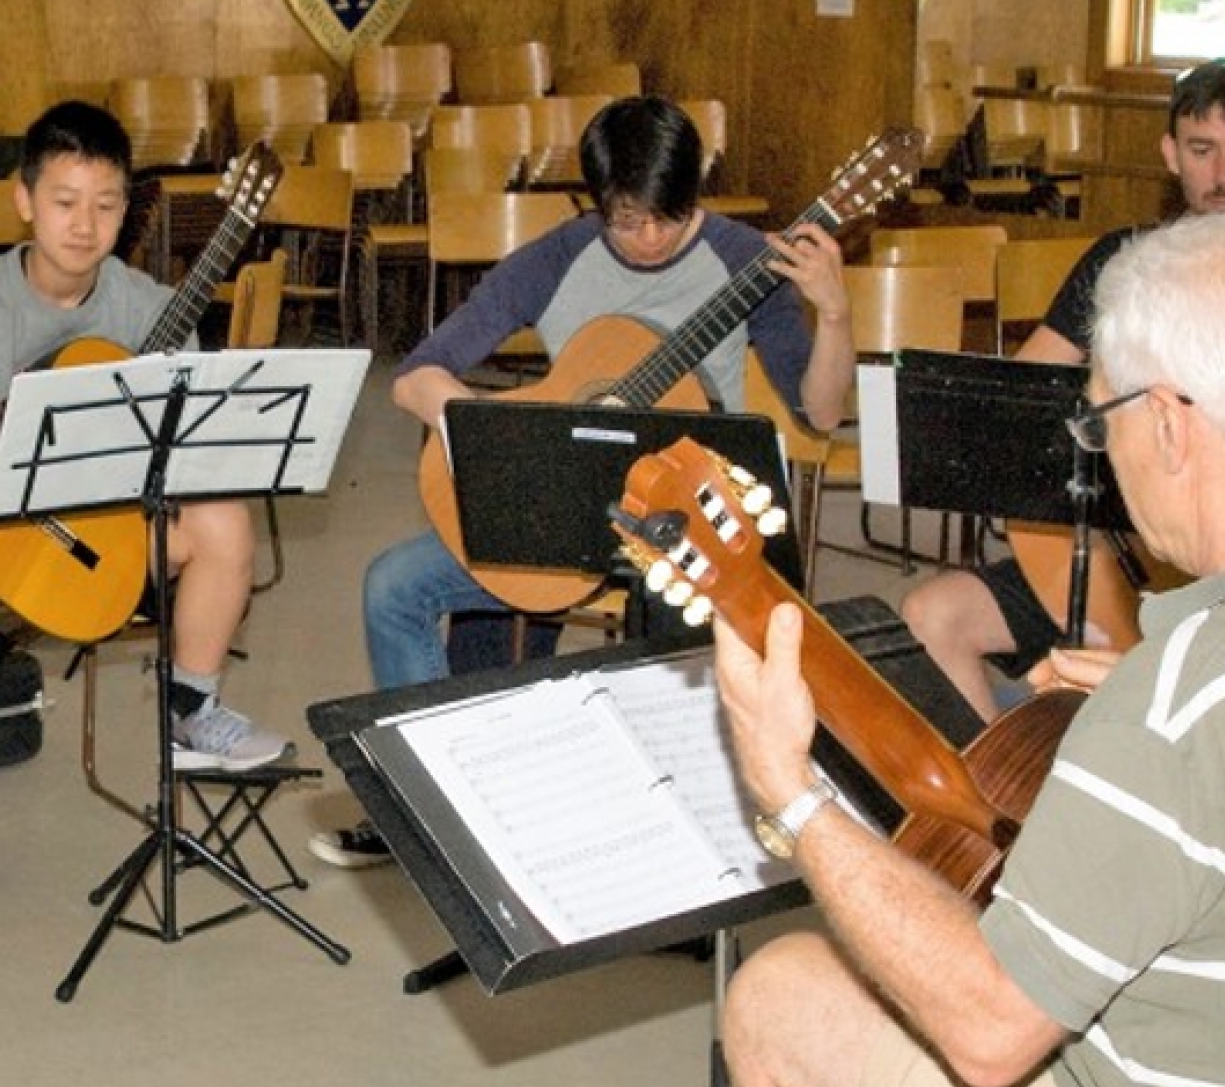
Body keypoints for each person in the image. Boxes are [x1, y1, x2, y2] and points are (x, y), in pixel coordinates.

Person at [712, 213, 1225, 1087]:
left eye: (1103, 421)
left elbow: (989, 1037)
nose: (1107, 458)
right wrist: (1162, 725)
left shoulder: (1178, 708)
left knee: (780, 991)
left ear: (1172, 425)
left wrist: (793, 795)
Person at [311, 94, 857, 869]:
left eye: (665, 218)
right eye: (625, 220)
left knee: (685, 649)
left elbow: (823, 409)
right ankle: (431, 808)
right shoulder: (561, 254)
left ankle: (670, 841)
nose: (646, 238)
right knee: (392, 586)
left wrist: (832, 314)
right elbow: (416, 375)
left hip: (687, 524)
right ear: (597, 202)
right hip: (565, 510)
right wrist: (484, 429)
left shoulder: (745, 259)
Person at [0, 101, 293, 917]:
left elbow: (189, 435)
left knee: (224, 516)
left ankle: (191, 705)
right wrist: (15, 464)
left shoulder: (148, 306)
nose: (85, 226)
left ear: (129, 208)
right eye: (64, 201)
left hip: (115, 542)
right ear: (23, 200)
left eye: (106, 204)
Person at [900, 58, 1225, 724]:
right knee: (930, 614)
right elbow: (1023, 405)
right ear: (1171, 155)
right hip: (1126, 556)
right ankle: (1002, 816)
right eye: (1203, 151)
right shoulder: (1125, 262)